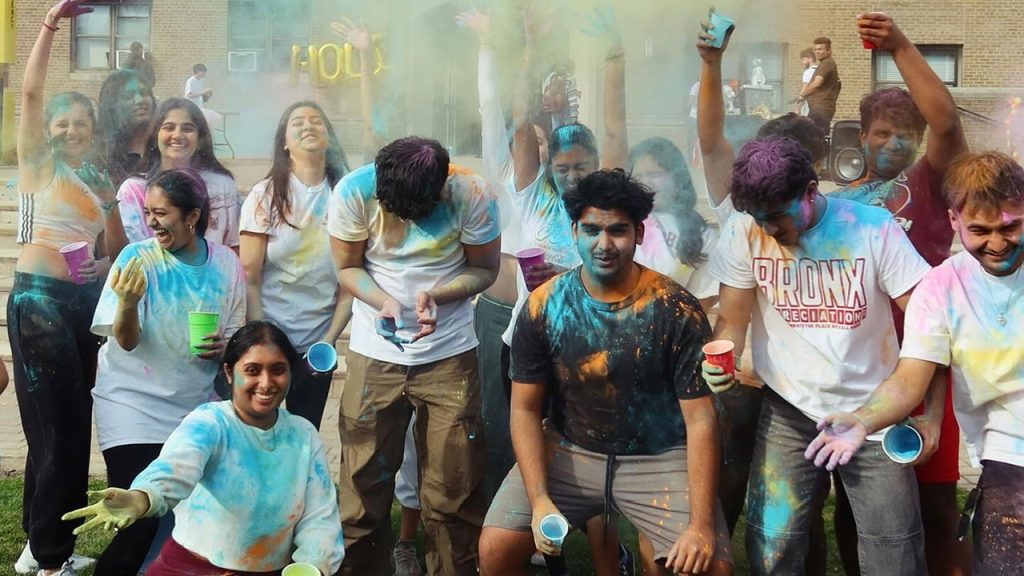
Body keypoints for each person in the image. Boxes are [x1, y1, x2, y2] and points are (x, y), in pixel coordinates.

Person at [478, 169, 733, 576]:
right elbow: (525, 410)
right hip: (570, 449)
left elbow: (701, 418)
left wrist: (701, 526)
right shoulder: (544, 306)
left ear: (639, 233)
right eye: (592, 229)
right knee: (496, 548)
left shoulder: (675, 308)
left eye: (618, 230)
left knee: (710, 566)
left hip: (659, 455)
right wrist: (540, 498)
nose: (604, 243)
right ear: (574, 230)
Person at [703, 136, 930, 574]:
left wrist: (928, 415)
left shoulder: (873, 228)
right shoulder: (743, 230)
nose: (768, 229)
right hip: (789, 407)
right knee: (773, 544)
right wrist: (718, 359)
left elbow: (928, 326)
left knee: (893, 547)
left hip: (875, 408)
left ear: (811, 190)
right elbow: (732, 320)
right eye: (758, 218)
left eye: (776, 217)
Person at [805, 151, 1024, 575]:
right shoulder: (941, 288)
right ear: (954, 221)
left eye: (1011, 227)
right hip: (1008, 455)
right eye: (980, 230)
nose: (997, 243)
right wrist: (864, 421)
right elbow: (910, 380)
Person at [827, 13, 971, 576]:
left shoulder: (930, 183)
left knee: (936, 502)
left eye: (904, 134)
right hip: (864, 364)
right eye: (881, 132)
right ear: (862, 136)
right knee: (857, 503)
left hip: (928, 361)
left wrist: (900, 45)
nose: (893, 142)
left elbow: (947, 121)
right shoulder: (840, 202)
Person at [328, 136, 500, 575]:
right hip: (374, 353)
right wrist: (383, 300)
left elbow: (485, 268)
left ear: (441, 188)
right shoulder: (352, 191)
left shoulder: (472, 193)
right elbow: (348, 267)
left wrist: (438, 295)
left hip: (450, 354)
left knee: (455, 491)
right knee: (362, 486)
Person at [503, 6, 635, 573]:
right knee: (535, 440)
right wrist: (529, 51)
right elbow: (519, 125)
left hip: (594, 344)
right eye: (564, 164)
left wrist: (612, 58)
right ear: (550, 164)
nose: (573, 174)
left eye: (583, 164)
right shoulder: (534, 196)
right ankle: (544, 541)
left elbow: (614, 130)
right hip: (530, 341)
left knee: (594, 455)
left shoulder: (607, 201)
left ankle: (610, 561)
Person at [63, 321, 345, 576]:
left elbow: (320, 517)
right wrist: (142, 497)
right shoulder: (210, 422)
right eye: (252, 370)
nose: (266, 383)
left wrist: (314, 565)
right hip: (189, 567)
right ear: (229, 372)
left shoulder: (303, 434)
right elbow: (174, 469)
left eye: (278, 370)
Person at [9, 2, 125, 574]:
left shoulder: (101, 180)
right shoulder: (37, 164)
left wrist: (105, 268)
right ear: (48, 130)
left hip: (83, 307)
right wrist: (51, 24)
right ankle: (53, 561)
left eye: (82, 122)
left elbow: (114, 250)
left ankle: (39, 548)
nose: (71, 130)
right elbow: (29, 95)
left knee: (59, 425)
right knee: (63, 428)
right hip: (38, 304)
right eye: (63, 122)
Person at [88, 168, 246, 574]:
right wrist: (126, 303)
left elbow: (234, 339)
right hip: (130, 404)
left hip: (191, 407)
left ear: (192, 217)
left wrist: (227, 347)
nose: (151, 222)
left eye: (161, 213)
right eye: (147, 212)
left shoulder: (227, 264)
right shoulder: (136, 259)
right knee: (138, 520)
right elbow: (124, 341)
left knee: (187, 524)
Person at [240, 100, 351, 430]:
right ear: (285, 143)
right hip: (271, 337)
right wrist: (262, 338)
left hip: (319, 343)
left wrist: (328, 340)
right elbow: (251, 277)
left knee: (304, 434)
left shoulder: (345, 196)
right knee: (258, 432)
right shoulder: (265, 195)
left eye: (317, 121)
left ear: (328, 139)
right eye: (297, 122)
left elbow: (349, 283)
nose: (308, 125)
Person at [115, 98, 241, 258]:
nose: (177, 135)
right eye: (169, 127)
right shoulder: (134, 190)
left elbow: (235, 247)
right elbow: (133, 253)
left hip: (215, 280)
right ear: (155, 135)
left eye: (187, 128)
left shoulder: (223, 186)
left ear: (200, 138)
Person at [629, 137, 719, 313]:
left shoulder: (702, 234)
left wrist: (675, 327)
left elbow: (705, 296)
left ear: (677, 177)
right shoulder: (622, 224)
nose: (646, 183)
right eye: (638, 176)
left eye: (655, 174)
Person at [96, 69, 156, 188]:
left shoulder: (164, 145)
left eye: (144, 93)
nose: (140, 100)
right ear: (112, 106)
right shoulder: (101, 156)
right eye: (128, 96)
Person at [796, 36, 840, 134]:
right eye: (815, 50)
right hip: (820, 110)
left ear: (829, 51)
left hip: (820, 110)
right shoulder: (826, 64)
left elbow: (816, 84)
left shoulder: (827, 63)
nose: (817, 52)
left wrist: (802, 95)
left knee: (815, 138)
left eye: (820, 49)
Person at [795, 48, 816, 116]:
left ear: (810, 59)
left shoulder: (808, 72)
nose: (802, 62)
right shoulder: (820, 70)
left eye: (803, 60)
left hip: (809, 107)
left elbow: (804, 90)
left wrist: (797, 108)